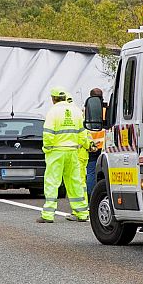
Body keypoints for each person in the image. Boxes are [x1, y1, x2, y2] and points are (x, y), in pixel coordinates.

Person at [38, 87, 89, 223]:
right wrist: (84, 145)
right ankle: (82, 213)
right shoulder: (76, 111)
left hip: (56, 152)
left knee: (52, 182)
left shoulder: (53, 112)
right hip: (73, 151)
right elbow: (82, 133)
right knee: (75, 182)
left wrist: (47, 148)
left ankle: (48, 214)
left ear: (53, 99)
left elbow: (48, 133)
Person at [68, 95, 90, 199]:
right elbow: (84, 136)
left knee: (74, 181)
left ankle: (80, 207)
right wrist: (88, 146)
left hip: (71, 153)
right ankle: (82, 206)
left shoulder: (62, 114)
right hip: (81, 153)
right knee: (80, 181)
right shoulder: (78, 114)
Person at [85, 88, 105, 196]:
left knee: (91, 173)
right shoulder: (107, 110)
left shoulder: (85, 112)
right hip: (105, 147)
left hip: (91, 147)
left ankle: (91, 196)